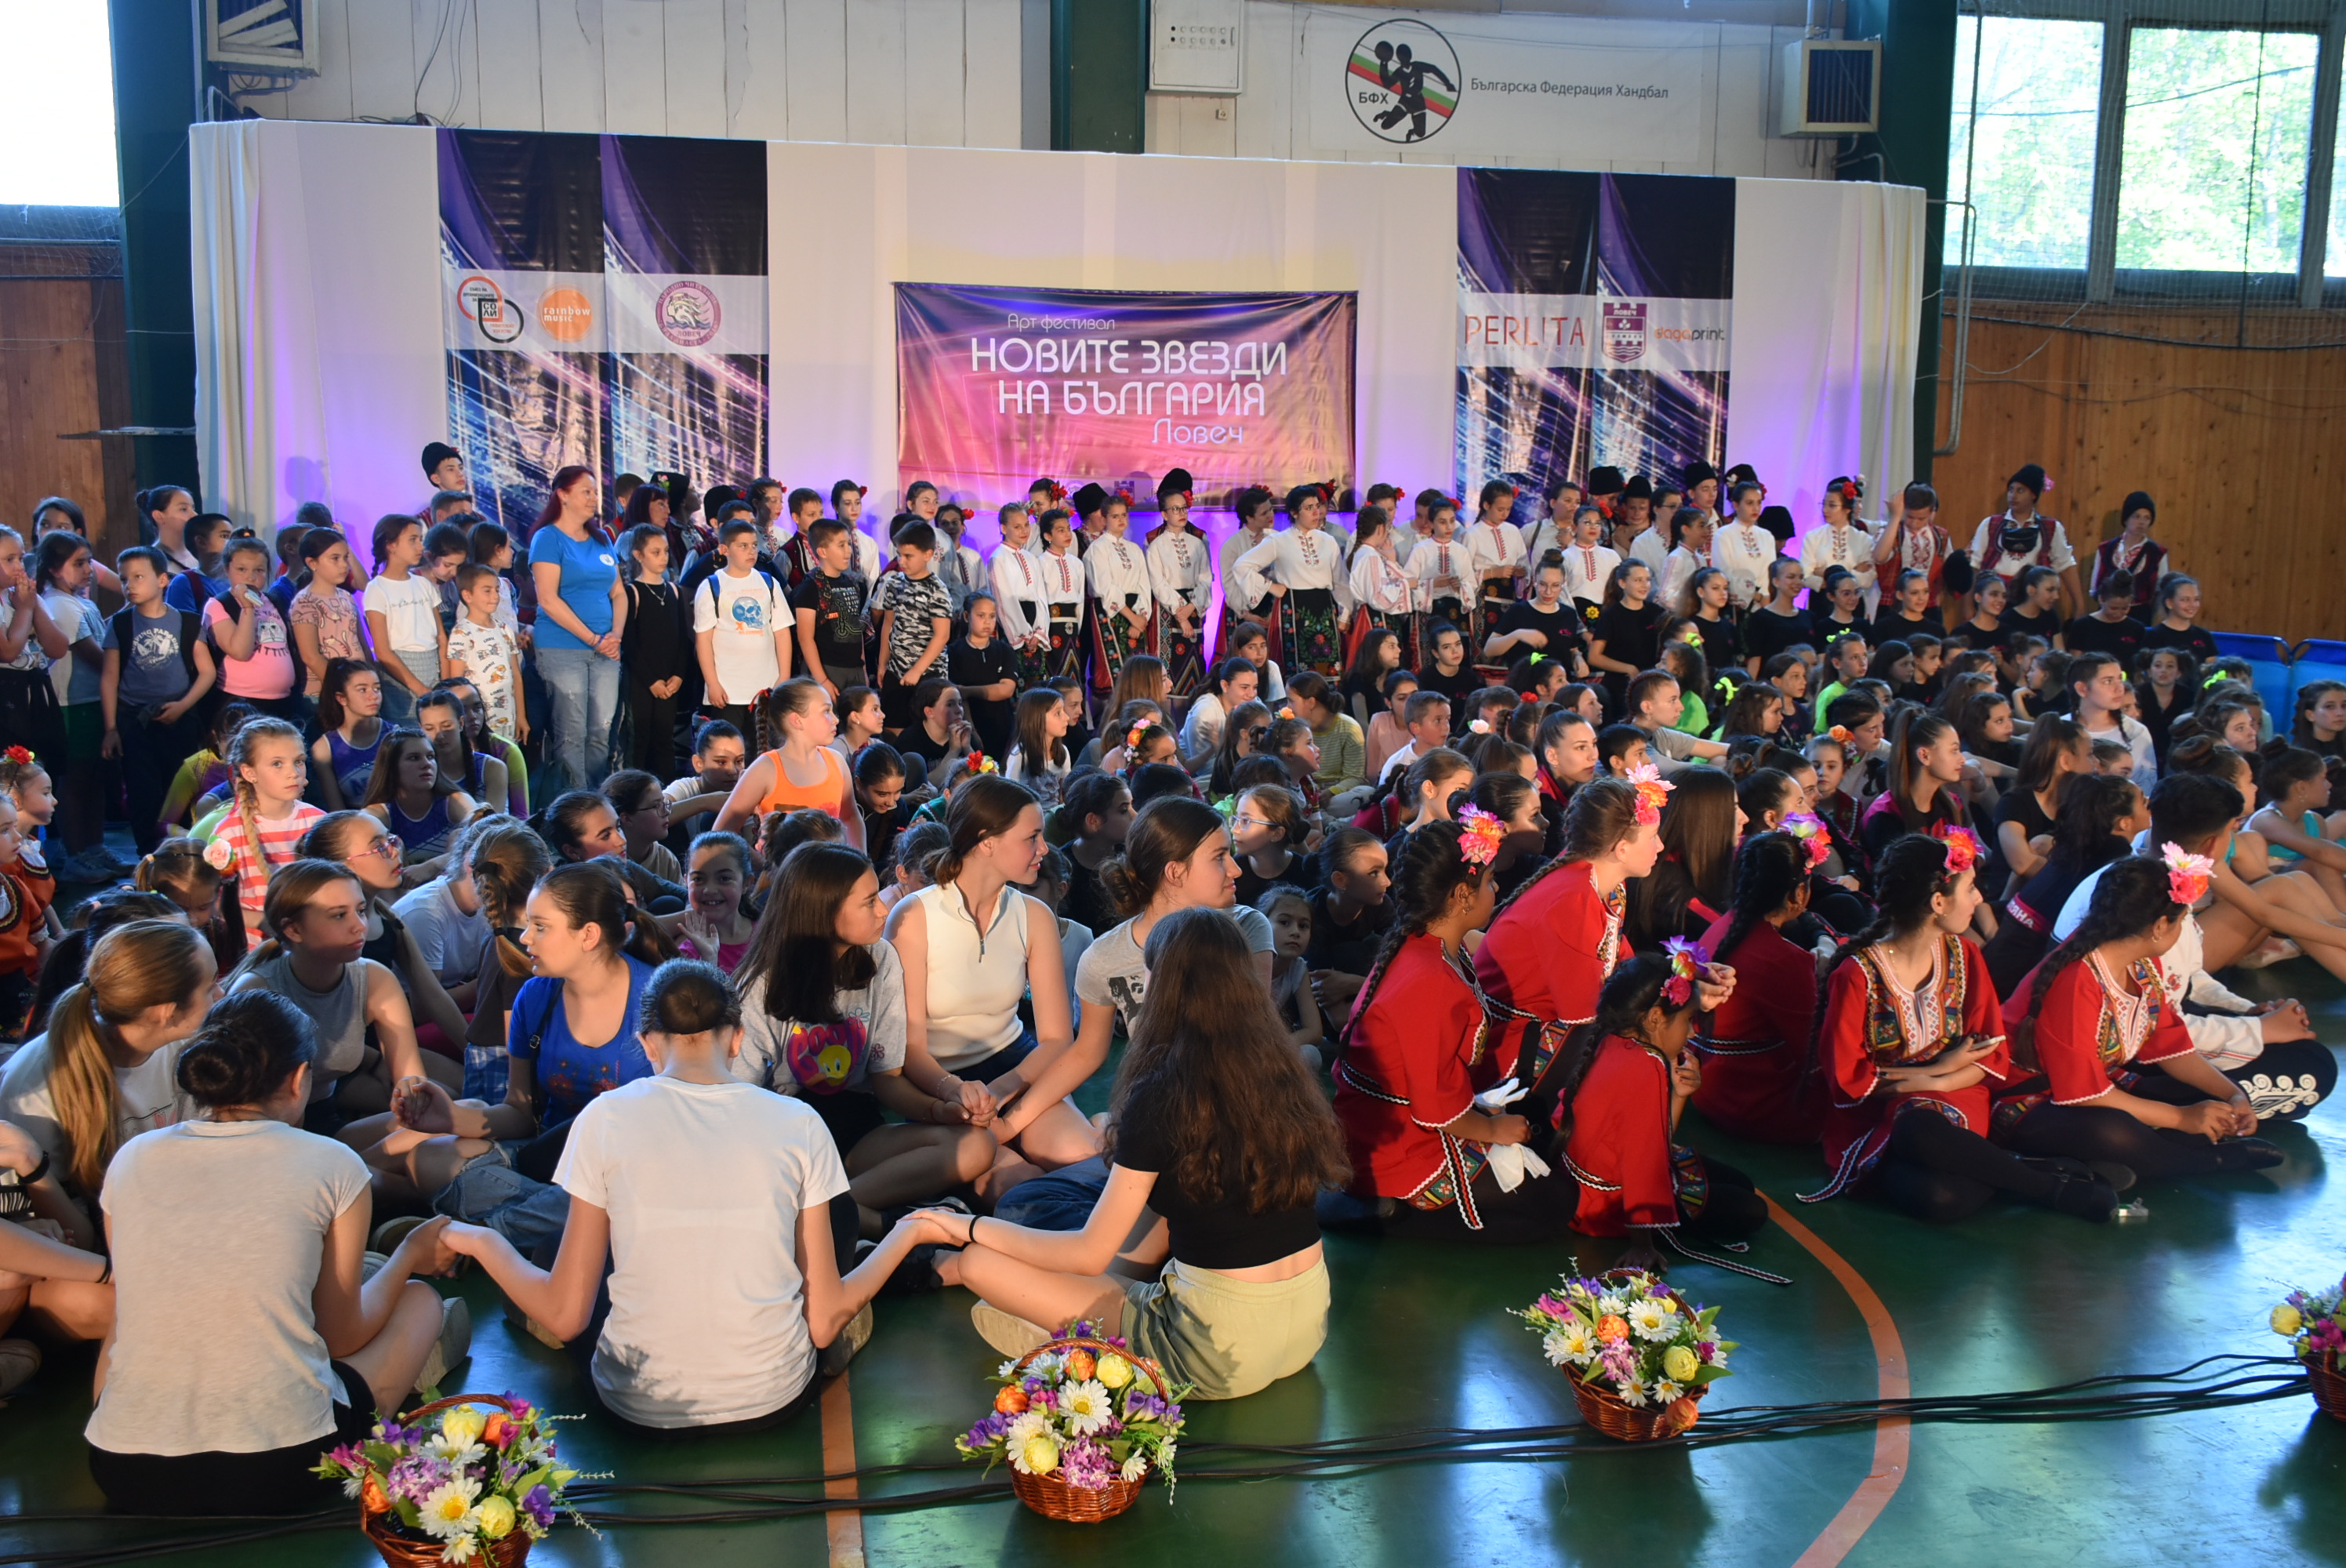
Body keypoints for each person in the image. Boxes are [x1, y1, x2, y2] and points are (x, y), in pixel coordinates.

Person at [442, 960, 927, 1430]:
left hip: (635, 1410)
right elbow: (821, 1324)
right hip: (773, 1399)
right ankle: (839, 1326)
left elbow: (567, 1317)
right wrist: (906, 1234)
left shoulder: (604, 1117)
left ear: (646, 1043)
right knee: (838, 1217)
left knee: (557, 1254)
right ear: (737, 1038)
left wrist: (478, 1240)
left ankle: (530, 1304)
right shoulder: (799, 1122)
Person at [927, 906, 1341, 1392]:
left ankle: (1076, 1344)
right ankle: (1069, 1322)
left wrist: (966, 1227)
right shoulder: (1283, 1073)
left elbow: (1088, 1253)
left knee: (979, 1263)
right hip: (1306, 1330)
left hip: (1215, 1356)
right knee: (1146, 1220)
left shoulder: (1165, 1092)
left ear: (1162, 984)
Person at [85, 990, 467, 1516]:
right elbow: (342, 1336)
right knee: (418, 1300)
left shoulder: (131, 1159)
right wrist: (409, 1254)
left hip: (123, 1468)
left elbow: (123, 1314)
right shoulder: (332, 1162)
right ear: (299, 1078)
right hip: (285, 1466)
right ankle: (408, 1353)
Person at [1803, 831, 2121, 1222]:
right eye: (1970, 888)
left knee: (1924, 1137)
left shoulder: (1965, 955)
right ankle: (2036, 1176)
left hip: (1956, 1096)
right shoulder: (1858, 975)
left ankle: (2046, 1186)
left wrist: (1938, 1079)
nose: (1979, 899)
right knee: (1938, 1192)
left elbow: (1991, 1053)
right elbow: (1848, 1081)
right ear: (1938, 902)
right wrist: (1935, 1070)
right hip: (1875, 1116)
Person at [1334, 816, 1576, 1240]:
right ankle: (1390, 1209)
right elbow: (1433, 1108)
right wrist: (1490, 1129)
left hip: (1393, 1120)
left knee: (1540, 1160)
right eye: (1489, 881)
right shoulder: (1429, 980)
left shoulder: (1429, 945)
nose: (1496, 888)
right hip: (1396, 1143)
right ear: (1463, 895)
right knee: (1557, 1202)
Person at [732, 843, 993, 1234]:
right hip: (786, 1140)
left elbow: (888, 1080)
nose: (884, 910)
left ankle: (826, 1218)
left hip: (855, 1131)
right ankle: (885, 1225)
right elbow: (742, 1106)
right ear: (824, 911)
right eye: (869, 902)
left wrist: (940, 1109)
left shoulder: (880, 958)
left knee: (977, 1146)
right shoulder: (760, 986)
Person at [2051, 773, 2337, 1121]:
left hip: (2155, 1030)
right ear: (2215, 845)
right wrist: (2261, 1030)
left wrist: (2249, 1011)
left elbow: (2189, 978)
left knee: (2305, 1053)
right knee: (2313, 1068)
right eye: (2232, 831)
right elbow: (2152, 1029)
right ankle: (2165, 1110)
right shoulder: (2146, 901)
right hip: (2121, 1050)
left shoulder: (2157, 875)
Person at [1997, 855, 2286, 1181]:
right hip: (2028, 1101)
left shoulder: (2142, 964)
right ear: (2160, 926)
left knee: (2198, 1098)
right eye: (2182, 921)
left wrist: (2232, 1094)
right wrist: (2182, 1118)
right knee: (2112, 1131)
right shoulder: (2077, 981)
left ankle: (2143, 1156)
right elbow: (2083, 1095)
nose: (2183, 929)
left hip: (2098, 1086)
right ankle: (2206, 1160)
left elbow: (2171, 1048)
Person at [884, 777, 1079, 1198]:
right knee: (1020, 1186)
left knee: (1082, 1156)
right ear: (987, 842)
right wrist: (957, 1092)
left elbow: (1057, 1039)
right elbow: (909, 1047)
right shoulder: (914, 916)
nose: (1044, 850)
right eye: (1032, 837)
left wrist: (1004, 1095)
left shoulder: (1035, 915)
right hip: (940, 1082)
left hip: (1018, 1067)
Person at [1553, 951, 1773, 1271]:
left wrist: (1680, 1095)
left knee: (1740, 1183)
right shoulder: (1647, 1065)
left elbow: (1651, 1137)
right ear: (1655, 1018)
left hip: (1583, 1191)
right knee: (1752, 1210)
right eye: (1687, 1020)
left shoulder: (1614, 1037)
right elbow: (1644, 1162)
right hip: (1608, 1208)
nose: (1692, 1033)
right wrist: (1643, 1245)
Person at [0, 918, 214, 1225]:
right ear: (166, 1012)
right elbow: (39, 1213)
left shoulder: (190, 1045)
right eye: (210, 987)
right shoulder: (34, 1084)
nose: (221, 993)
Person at [1475, 776, 1670, 1098]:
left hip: (1549, 1025)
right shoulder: (1572, 902)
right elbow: (1587, 1016)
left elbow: (1621, 965)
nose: (1660, 846)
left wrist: (1679, 984)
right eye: (1652, 837)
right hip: (1512, 1046)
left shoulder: (1603, 882)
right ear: (1621, 849)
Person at [1691, 832, 1824, 1143]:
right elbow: (1814, 1053)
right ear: (1799, 894)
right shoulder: (1784, 960)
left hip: (1708, 1090)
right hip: (1758, 1107)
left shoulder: (1718, 928)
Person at [100, 546, 217, 858]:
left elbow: (207, 672)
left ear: (163, 580)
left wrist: (182, 706)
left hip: (179, 718)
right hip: (135, 720)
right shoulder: (121, 624)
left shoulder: (187, 622)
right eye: (124, 579)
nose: (130, 585)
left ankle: (185, 856)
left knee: (181, 790)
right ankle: (148, 857)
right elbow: (109, 678)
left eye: (138, 577)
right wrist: (111, 728)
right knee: (142, 793)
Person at [1982, 773, 2142, 997]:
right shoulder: (2112, 863)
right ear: (2125, 823)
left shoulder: (2079, 848)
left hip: (1999, 962)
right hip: (2016, 978)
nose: (2149, 803)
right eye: (2143, 802)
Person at [532, 465, 629, 791]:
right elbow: (548, 599)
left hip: (607, 649)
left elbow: (619, 592)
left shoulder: (602, 539)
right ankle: (574, 804)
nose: (593, 499)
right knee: (572, 733)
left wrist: (615, 636)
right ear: (562, 495)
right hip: (563, 648)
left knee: (601, 731)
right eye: (586, 492)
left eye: (595, 492)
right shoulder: (548, 538)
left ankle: (597, 797)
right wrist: (593, 639)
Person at [204, 717, 328, 946]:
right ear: (249, 773)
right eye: (277, 764)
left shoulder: (319, 822)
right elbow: (214, 904)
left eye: (299, 761)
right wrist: (262, 921)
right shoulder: (228, 834)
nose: (293, 773)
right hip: (259, 951)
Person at [715, 680, 862, 850]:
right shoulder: (766, 768)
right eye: (826, 711)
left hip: (827, 866)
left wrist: (861, 860)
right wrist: (761, 861)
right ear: (797, 720)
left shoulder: (836, 762)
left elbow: (850, 817)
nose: (836, 719)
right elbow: (723, 831)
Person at [1234, 485, 1351, 677]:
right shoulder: (1279, 541)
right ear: (1294, 513)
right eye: (1308, 508)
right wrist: (1271, 586)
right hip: (1294, 610)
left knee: (1328, 671)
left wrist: (1345, 615)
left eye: (1317, 506)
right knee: (1296, 672)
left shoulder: (1328, 541)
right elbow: (1242, 565)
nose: (1316, 513)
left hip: (1325, 610)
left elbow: (1341, 581)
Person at [692, 516, 792, 738]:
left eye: (754, 545)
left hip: (765, 688)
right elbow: (703, 640)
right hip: (728, 690)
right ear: (724, 550)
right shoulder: (711, 586)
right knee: (732, 747)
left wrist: (783, 677)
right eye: (743, 546)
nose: (751, 551)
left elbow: (782, 632)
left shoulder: (768, 582)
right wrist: (712, 684)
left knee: (764, 746)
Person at [360, 515, 445, 724]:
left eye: (420, 540)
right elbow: (382, 650)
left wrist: (445, 680)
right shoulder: (377, 589)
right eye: (413, 540)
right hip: (400, 675)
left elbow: (441, 637)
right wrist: (419, 688)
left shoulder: (424, 584)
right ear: (391, 545)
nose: (420, 546)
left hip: (433, 668)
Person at [870, 520, 953, 732]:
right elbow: (888, 624)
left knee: (929, 730)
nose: (902, 561)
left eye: (908, 556)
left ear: (928, 555)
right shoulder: (894, 583)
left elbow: (942, 635)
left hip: (929, 673)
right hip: (896, 669)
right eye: (899, 555)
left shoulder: (937, 590)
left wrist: (917, 670)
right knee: (892, 728)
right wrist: (883, 664)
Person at [1969, 463, 2082, 619]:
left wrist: (2079, 606)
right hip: (1995, 598)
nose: (2013, 496)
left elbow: (2066, 566)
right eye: (2011, 490)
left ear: (2033, 495)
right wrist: (1967, 606)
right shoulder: (1991, 524)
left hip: (2034, 600)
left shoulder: (2051, 528)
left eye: (2020, 491)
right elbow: (1974, 565)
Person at [1859, 710, 1970, 862]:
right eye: (1954, 751)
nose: (1962, 759)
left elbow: (1974, 854)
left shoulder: (1953, 805)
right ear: (1924, 755)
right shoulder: (1885, 816)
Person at [359, 728, 476, 869]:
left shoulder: (456, 801)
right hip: (401, 884)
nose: (427, 764)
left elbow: (486, 835)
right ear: (391, 767)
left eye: (430, 757)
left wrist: (431, 866)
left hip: (452, 881)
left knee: (459, 835)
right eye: (414, 758)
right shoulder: (376, 814)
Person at [1145, 470, 1213, 696]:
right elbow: (1158, 583)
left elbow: (1205, 579)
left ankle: (1193, 708)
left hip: (1194, 607)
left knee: (1195, 664)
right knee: (1171, 667)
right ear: (1164, 514)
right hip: (1168, 610)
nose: (1181, 513)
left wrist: (1192, 607)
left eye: (1184, 508)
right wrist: (1180, 613)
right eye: (1175, 509)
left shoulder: (1197, 542)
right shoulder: (1156, 544)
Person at [950, 592, 1019, 759]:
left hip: (1003, 726)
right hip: (971, 726)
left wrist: (967, 690)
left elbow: (1007, 690)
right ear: (967, 616)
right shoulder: (953, 652)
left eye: (992, 616)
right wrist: (971, 731)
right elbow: (958, 696)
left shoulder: (1004, 650)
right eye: (981, 616)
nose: (987, 622)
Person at [2090, 492, 2166, 619]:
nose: (2141, 522)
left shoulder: (2158, 553)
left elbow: (2161, 592)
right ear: (2126, 519)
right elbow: (2095, 587)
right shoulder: (2105, 549)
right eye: (2136, 517)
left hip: (2139, 615)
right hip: (2106, 613)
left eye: (2147, 518)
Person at [1003, 685, 1073, 807]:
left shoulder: (1063, 752)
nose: (1067, 718)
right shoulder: (1021, 756)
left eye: (1064, 711)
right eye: (1058, 713)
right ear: (1037, 718)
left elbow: (1065, 792)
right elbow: (1012, 798)